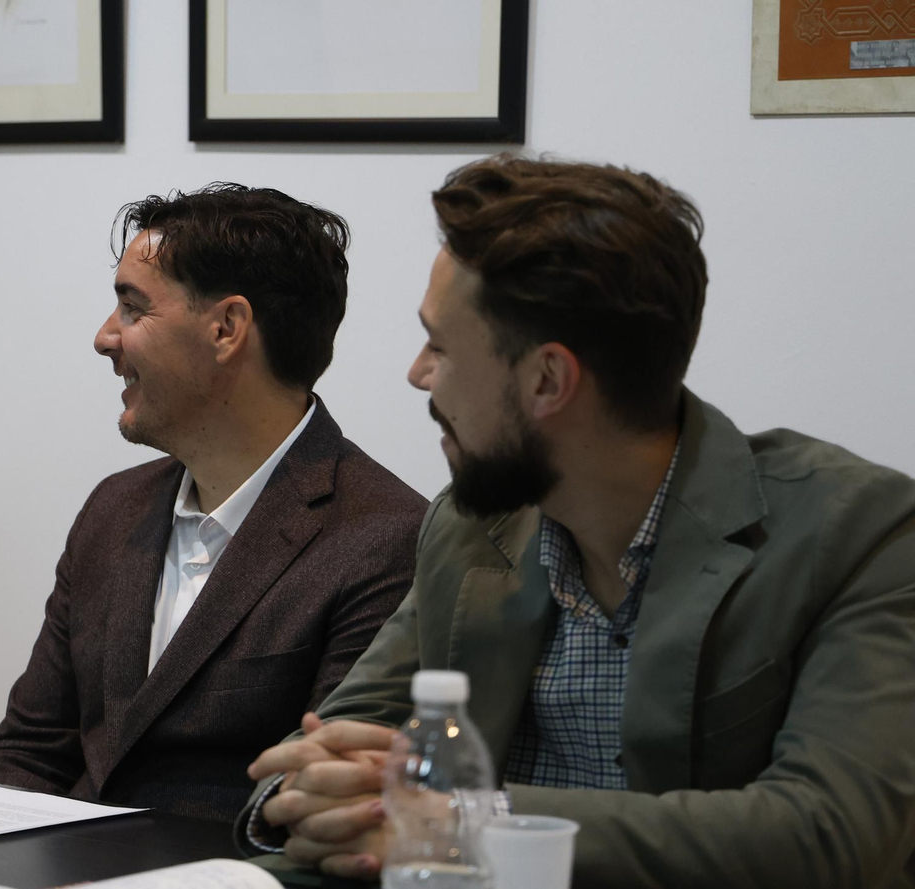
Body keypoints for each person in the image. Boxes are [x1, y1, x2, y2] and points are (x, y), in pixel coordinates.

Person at [236, 155, 915, 887]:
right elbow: (329, 753)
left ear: (548, 380)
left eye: (439, 344)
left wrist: (465, 821)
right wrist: (299, 797)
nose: (418, 373)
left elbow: (832, 834)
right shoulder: (471, 526)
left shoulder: (860, 532)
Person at [0, 184, 427, 822]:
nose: (105, 339)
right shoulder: (113, 509)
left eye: (132, 309)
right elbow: (29, 753)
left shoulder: (386, 538)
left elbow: (323, 808)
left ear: (226, 328)